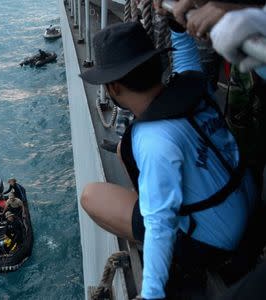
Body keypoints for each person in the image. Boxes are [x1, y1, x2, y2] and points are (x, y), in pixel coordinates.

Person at [79, 22, 257, 299]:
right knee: (123, 148)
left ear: (113, 87)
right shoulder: (193, 82)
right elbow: (185, 52)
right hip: (249, 206)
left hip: (218, 246)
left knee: (91, 196)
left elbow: (160, 224)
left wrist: (151, 294)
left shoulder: (153, 139)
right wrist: (176, 25)